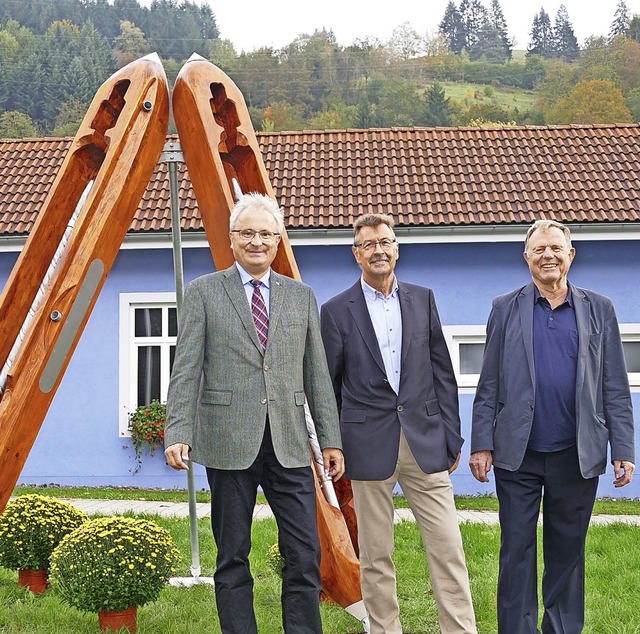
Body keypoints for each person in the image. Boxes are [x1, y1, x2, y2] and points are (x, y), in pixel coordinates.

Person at [163, 192, 344, 634]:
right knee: (232, 555)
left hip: (290, 444)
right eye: (248, 233)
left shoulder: (301, 297)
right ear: (232, 239)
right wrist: (177, 430)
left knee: (304, 554)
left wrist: (331, 440)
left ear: (278, 240)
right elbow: (186, 368)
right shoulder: (204, 293)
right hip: (229, 442)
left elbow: (316, 374)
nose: (257, 241)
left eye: (266, 234)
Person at [470, 219, 636, 634]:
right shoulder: (504, 307)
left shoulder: (600, 308)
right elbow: (488, 380)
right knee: (516, 552)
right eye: (539, 249)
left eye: (556, 248)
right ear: (526, 257)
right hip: (518, 453)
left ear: (570, 254)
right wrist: (481, 443)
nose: (548, 255)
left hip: (576, 452)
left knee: (567, 552)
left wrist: (624, 450)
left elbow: (614, 383)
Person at [320, 213, 477, 634]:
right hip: (366, 445)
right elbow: (328, 386)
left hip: (425, 443)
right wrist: (334, 443)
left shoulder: (422, 299)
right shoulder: (335, 311)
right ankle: (385, 629)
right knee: (376, 555)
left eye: (385, 242)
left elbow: (442, 372)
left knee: (448, 548)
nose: (378, 250)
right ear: (356, 254)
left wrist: (451, 436)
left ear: (397, 249)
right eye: (368, 244)